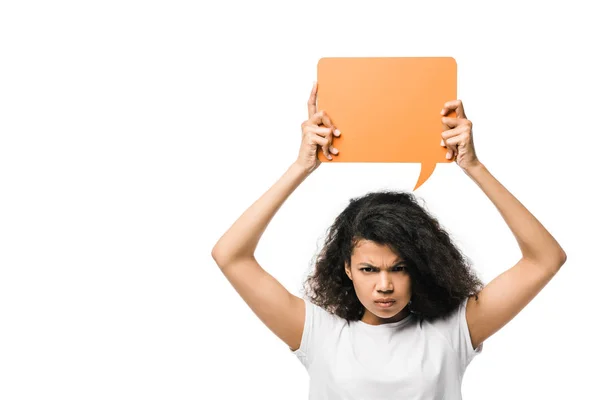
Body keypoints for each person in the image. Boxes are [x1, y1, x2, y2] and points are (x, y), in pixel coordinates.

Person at [211, 82, 567, 400]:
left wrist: (473, 166)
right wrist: (301, 166)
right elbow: (230, 255)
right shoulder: (320, 335)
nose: (385, 286)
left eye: (399, 268)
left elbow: (545, 259)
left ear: (420, 267)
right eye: (369, 269)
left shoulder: (452, 332)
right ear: (347, 268)